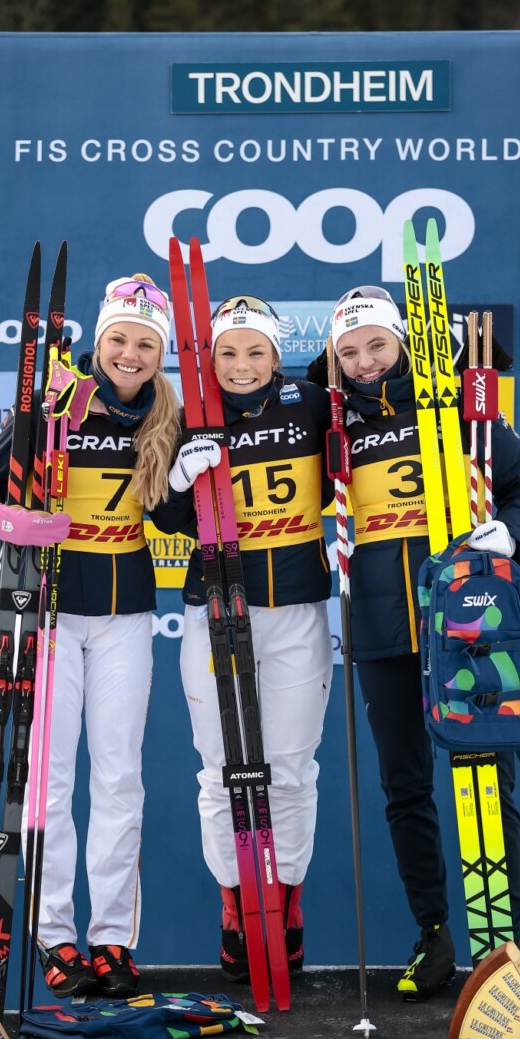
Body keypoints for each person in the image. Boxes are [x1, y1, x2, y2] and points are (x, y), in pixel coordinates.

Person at [323, 285, 520, 1003]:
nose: (365, 361)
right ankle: (433, 934)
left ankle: (505, 948)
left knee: (486, 780)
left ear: (402, 342)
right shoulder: (331, 423)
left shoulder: (455, 408)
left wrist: (510, 535)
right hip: (382, 629)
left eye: (377, 344)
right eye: (349, 351)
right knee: (405, 787)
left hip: (464, 625)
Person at [0, 274, 181, 999]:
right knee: (49, 782)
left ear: (160, 353)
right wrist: (7, 521)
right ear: (100, 338)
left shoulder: (168, 414)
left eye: (145, 344)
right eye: (119, 338)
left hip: (126, 615)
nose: (129, 354)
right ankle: (54, 934)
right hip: (51, 614)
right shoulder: (56, 398)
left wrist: (191, 478)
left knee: (119, 778)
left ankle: (112, 938)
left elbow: (175, 519)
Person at [156, 295, 335, 982]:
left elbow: (385, 408)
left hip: (294, 609)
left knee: (290, 770)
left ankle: (284, 906)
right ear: (209, 358)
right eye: (226, 352)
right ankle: (235, 908)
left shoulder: (311, 404)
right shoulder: (187, 416)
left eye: (255, 351)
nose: (240, 365)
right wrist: (179, 476)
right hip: (215, 608)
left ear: (276, 355)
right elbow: (165, 514)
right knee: (220, 771)